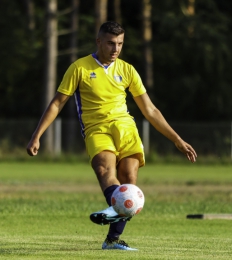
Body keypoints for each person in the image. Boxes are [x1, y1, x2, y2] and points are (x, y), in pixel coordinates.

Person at [26, 21, 197, 251]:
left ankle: (112, 240)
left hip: (126, 128)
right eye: (110, 43)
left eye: (120, 44)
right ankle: (113, 211)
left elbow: (150, 110)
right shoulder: (79, 68)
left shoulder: (127, 70)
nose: (115, 49)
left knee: (129, 182)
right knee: (105, 170)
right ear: (98, 42)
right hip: (96, 128)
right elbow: (57, 103)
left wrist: (177, 139)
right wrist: (37, 135)